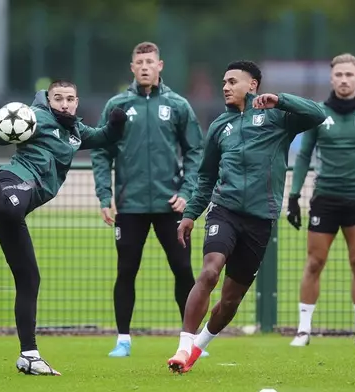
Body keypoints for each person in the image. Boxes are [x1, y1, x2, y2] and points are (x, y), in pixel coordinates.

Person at [0, 80, 128, 376]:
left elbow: (104, 138)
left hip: (16, 209)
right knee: (4, 205)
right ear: (49, 101)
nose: (64, 103)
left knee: (30, 279)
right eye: (58, 98)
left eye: (70, 98)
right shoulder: (36, 117)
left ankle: (29, 356)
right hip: (14, 185)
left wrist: (117, 123)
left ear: (77, 102)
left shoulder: (76, 132)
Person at [166, 60, 327, 373]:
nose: (225, 86)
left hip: (260, 220)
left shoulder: (278, 117)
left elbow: (318, 114)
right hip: (223, 211)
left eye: (232, 81)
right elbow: (206, 177)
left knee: (230, 301)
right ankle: (183, 346)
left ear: (253, 85)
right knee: (210, 272)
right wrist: (190, 214)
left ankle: (198, 348)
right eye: (224, 82)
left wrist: (281, 100)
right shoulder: (218, 127)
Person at [90, 41, 205, 358]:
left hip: (172, 207)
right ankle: (123, 340)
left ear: (160, 65)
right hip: (130, 206)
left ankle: (189, 341)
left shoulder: (178, 105)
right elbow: (101, 151)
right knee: (126, 271)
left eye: (149, 61)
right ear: (132, 67)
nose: (144, 66)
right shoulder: (117, 106)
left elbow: (196, 152)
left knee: (183, 270)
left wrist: (186, 193)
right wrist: (105, 194)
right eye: (139, 61)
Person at [287, 53, 355, 348]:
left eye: (349, 75)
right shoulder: (317, 114)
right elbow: (303, 156)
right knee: (314, 262)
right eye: (339, 75)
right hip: (324, 198)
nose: (344, 80)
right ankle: (303, 330)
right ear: (331, 78)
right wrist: (294, 196)